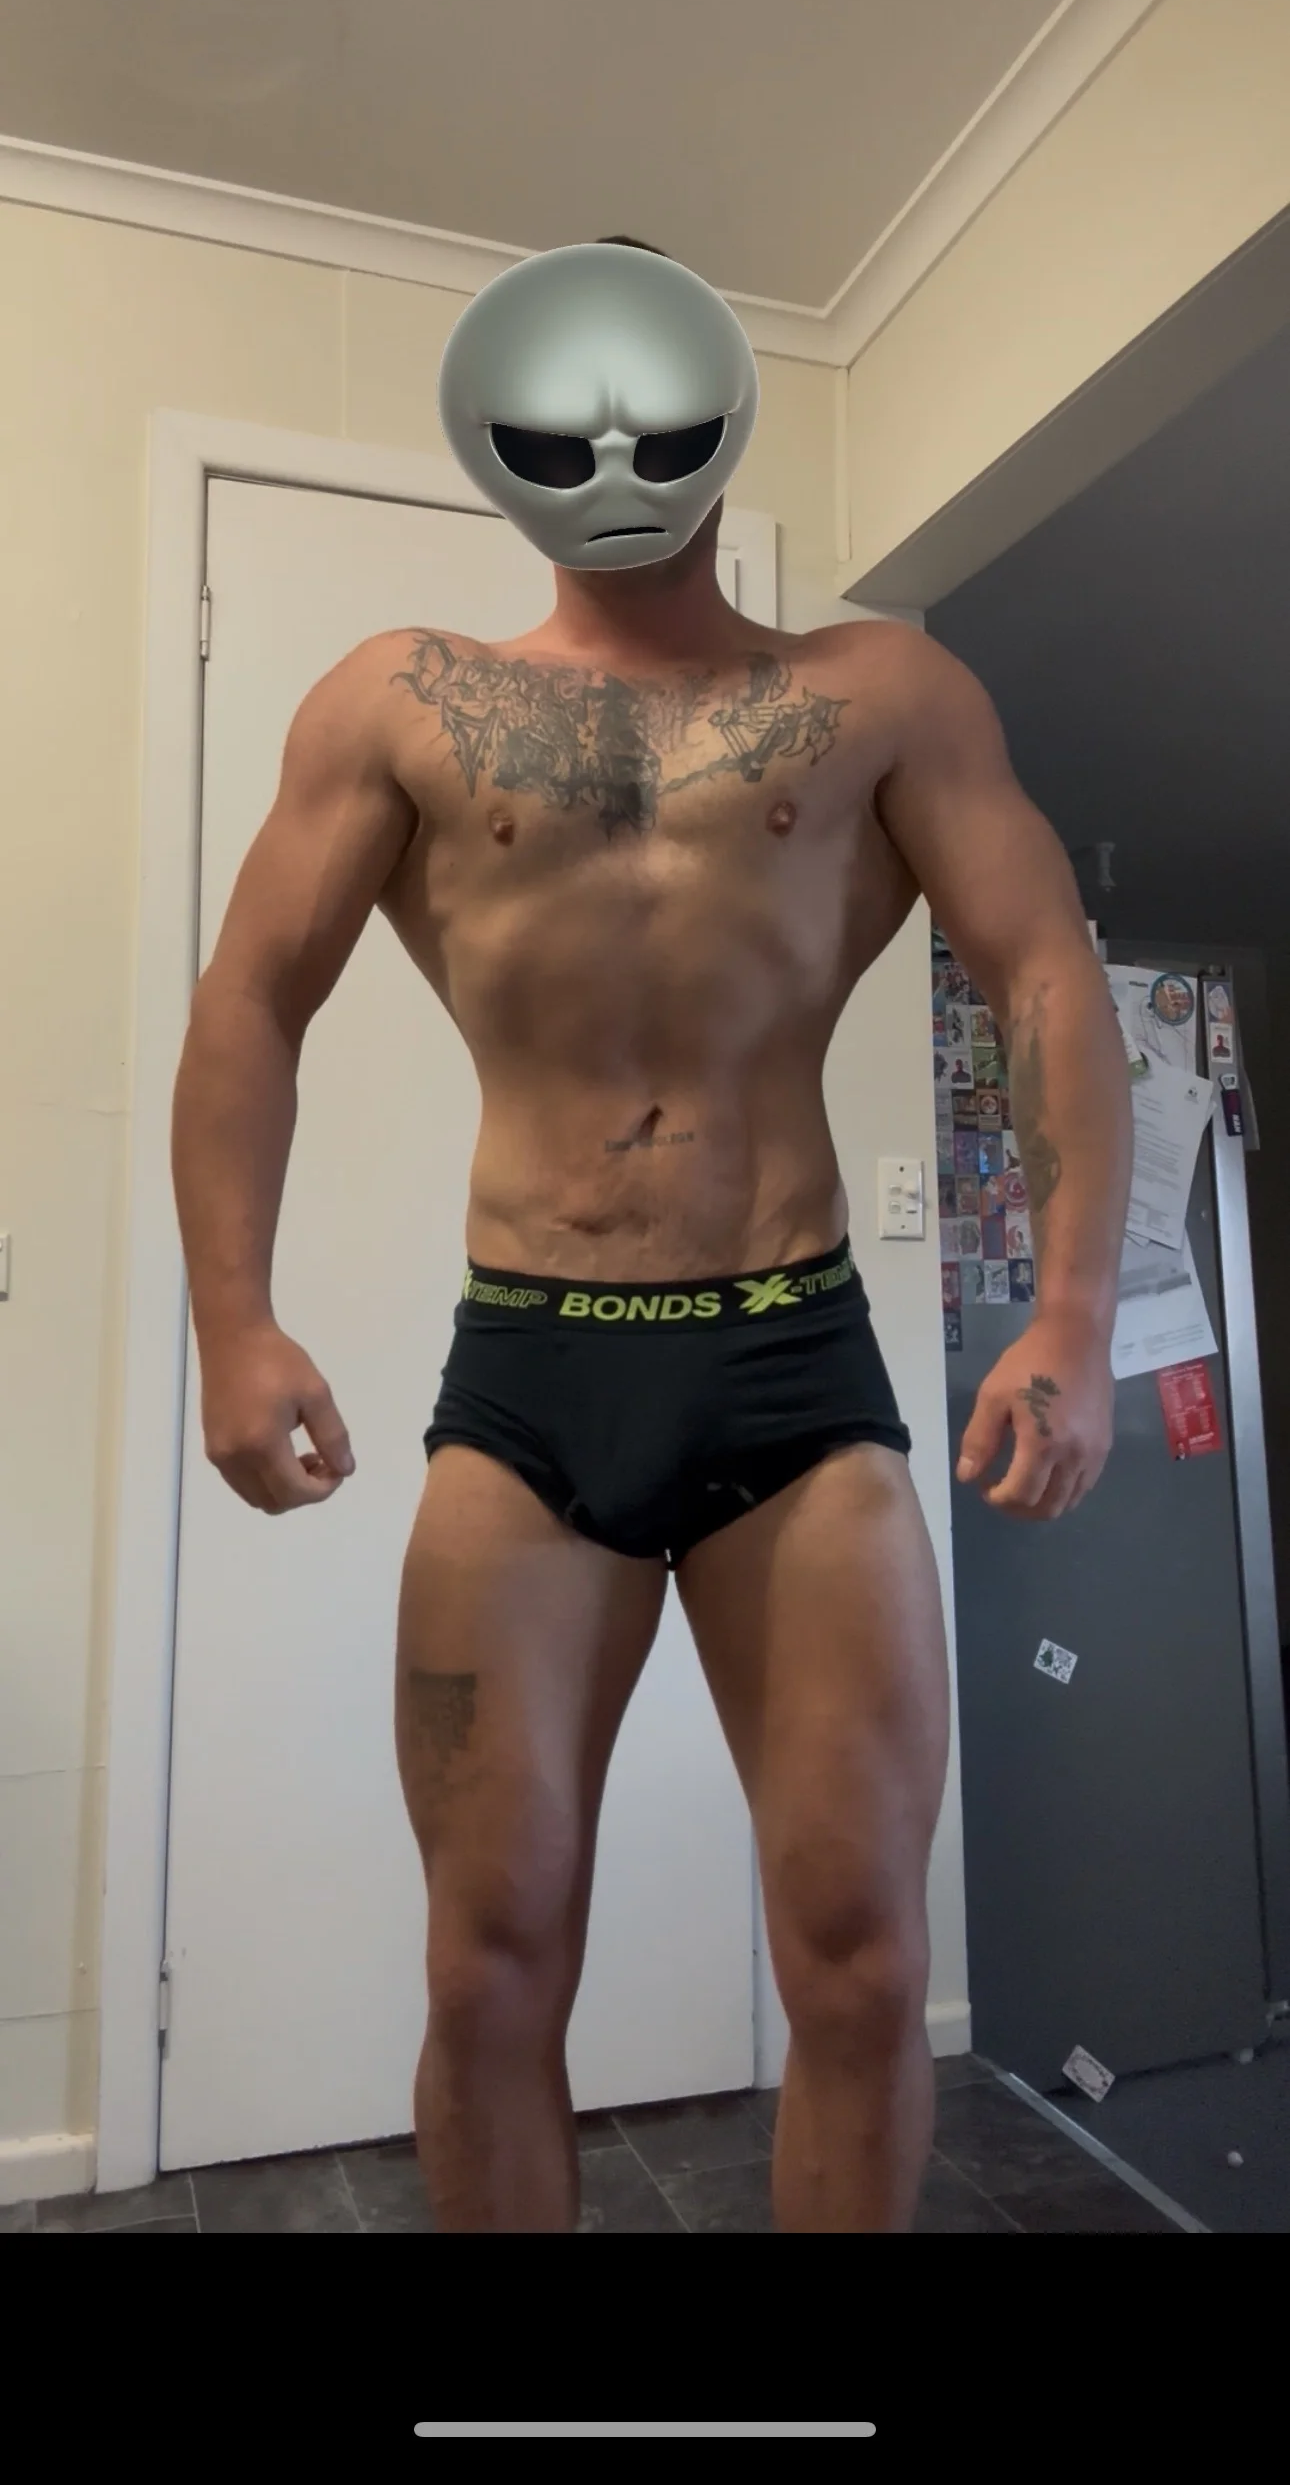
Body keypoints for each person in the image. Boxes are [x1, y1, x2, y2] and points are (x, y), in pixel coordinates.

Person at [171, 236, 1132, 2234]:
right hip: (531, 1375)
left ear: (715, 410)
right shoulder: (401, 701)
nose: (608, 455)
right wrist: (233, 1321)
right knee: (487, 1967)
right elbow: (253, 998)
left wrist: (1071, 1309)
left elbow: (1042, 971)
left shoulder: (877, 694)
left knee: (859, 1961)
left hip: (796, 1370)